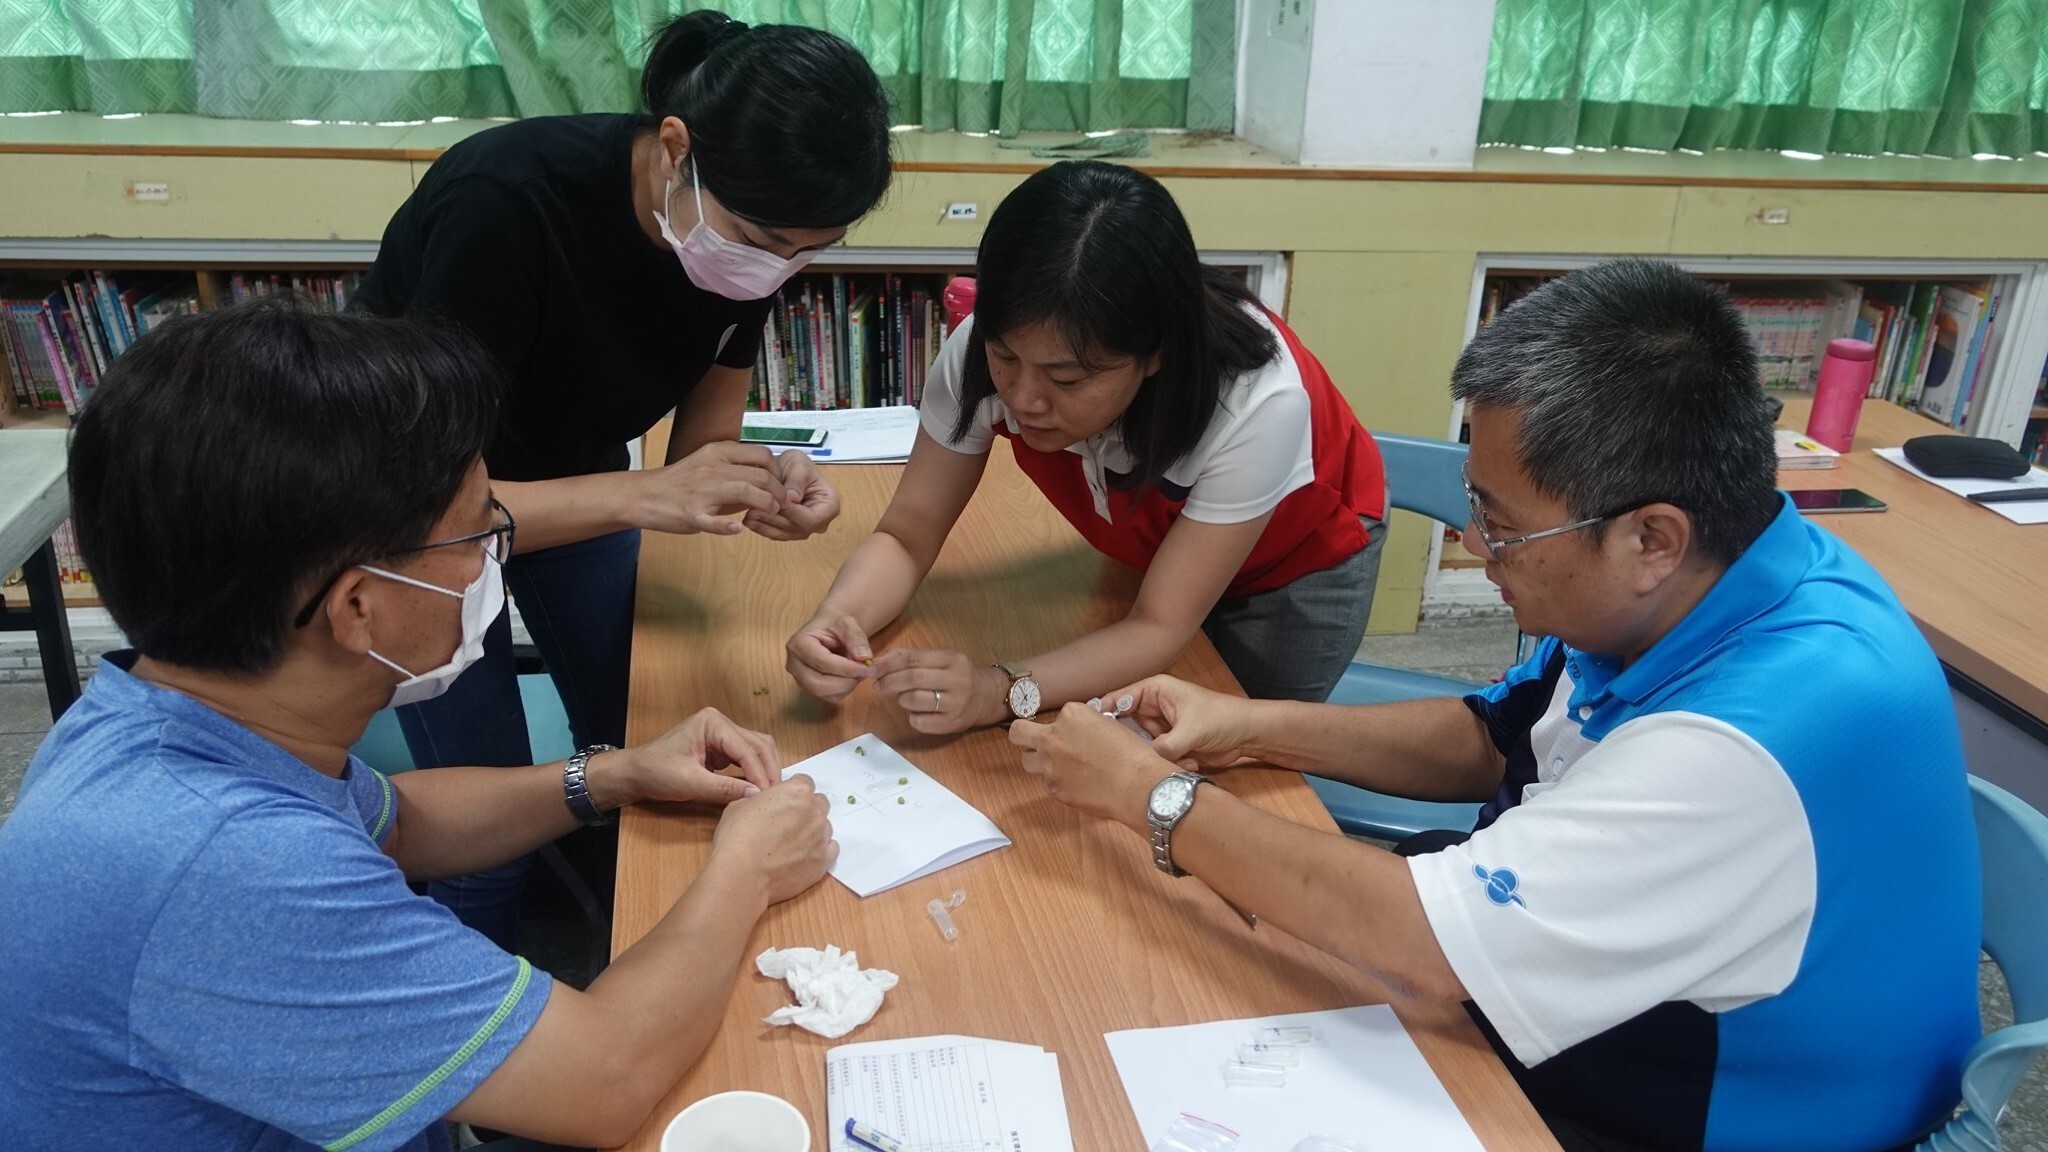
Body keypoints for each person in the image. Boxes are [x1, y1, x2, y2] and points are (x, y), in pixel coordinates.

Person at [1009, 259, 1983, 1152]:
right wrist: (1245, 726)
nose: (1473, 545)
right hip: (1608, 1005)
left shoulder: (1742, 744)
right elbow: (1494, 739)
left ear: (1649, 538)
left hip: (1703, 1114)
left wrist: (1150, 799)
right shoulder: (1724, 571)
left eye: (1502, 526)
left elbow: (1426, 948)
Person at [0, 303, 837, 1152]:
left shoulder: (158, 710)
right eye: (479, 529)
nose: (494, 556)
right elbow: (606, 1080)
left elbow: (396, 824)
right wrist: (746, 869)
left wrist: (611, 775)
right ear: (356, 607)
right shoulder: (233, 867)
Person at [352, 9, 890, 947]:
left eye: (808, 251)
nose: (777, 269)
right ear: (675, 148)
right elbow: (430, 511)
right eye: (763, 238)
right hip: (406, 512)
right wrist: (647, 498)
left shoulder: (747, 249)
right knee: (477, 835)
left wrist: (760, 483)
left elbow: (701, 446)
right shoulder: (509, 203)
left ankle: (629, 927)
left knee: (654, 737)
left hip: (576, 476)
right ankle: (474, 1035)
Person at [784, 160, 1388, 731]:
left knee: (1236, 757)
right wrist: (840, 619)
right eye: (1004, 357)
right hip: (1167, 553)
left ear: (1154, 355)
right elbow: (907, 534)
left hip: (1296, 562)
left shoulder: (1256, 403)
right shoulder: (980, 353)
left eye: (1067, 379)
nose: (1024, 399)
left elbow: (1158, 627)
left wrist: (1000, 690)